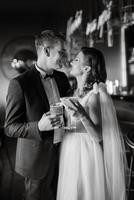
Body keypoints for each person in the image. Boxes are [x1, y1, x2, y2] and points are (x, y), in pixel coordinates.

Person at [4, 30, 71, 200]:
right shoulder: (19, 84)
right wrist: (39, 126)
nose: (65, 57)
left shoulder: (63, 78)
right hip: (35, 158)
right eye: (61, 52)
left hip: (64, 152)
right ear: (46, 51)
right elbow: (10, 128)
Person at [57, 47, 128, 200]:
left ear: (87, 68)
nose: (71, 61)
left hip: (85, 151)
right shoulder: (73, 92)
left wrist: (82, 114)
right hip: (69, 147)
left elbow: (97, 136)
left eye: (76, 59)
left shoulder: (94, 95)